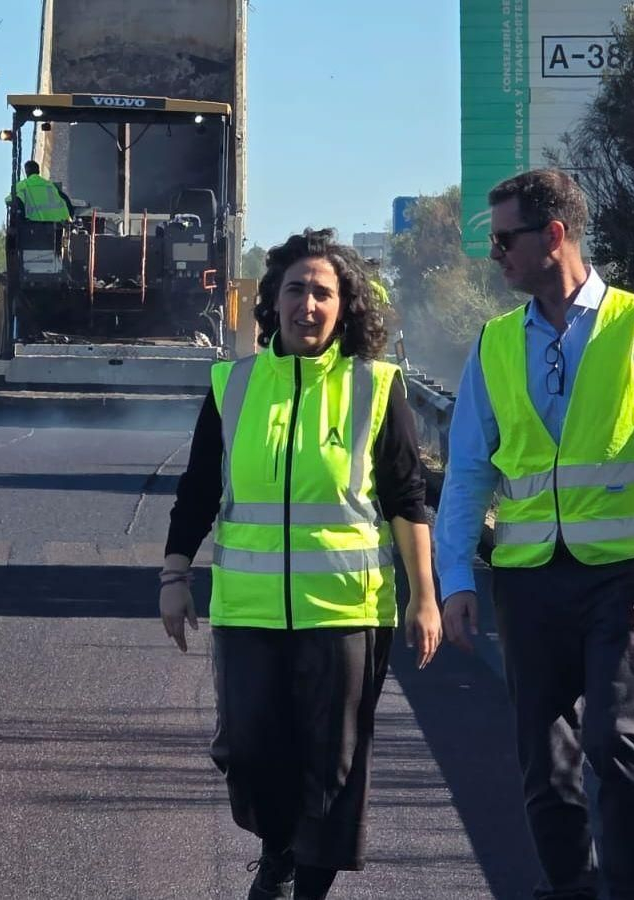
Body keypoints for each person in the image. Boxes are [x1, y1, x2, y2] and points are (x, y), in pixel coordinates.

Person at [435, 168, 634, 900]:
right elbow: (467, 471)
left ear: (553, 236)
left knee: (615, 741)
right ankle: (569, 890)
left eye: (504, 240)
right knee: (544, 755)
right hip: (526, 583)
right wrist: (456, 579)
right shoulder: (495, 344)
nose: (495, 255)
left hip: (621, 578)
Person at [160, 228, 441, 900]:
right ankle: (278, 848)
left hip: (346, 612)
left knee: (333, 766)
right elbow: (198, 489)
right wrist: (174, 575)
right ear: (272, 300)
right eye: (295, 290)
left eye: (323, 292)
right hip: (248, 612)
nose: (307, 305)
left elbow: (407, 500)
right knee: (251, 754)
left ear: (346, 306)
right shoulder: (233, 384)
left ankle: (302, 887)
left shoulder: (375, 387)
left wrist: (424, 596)